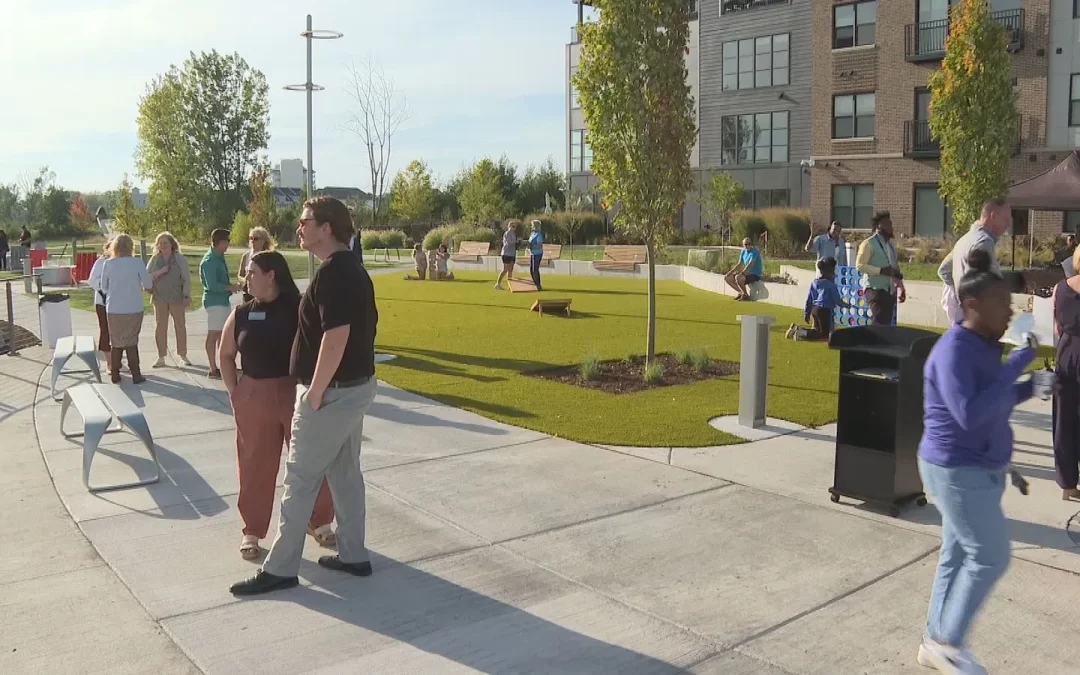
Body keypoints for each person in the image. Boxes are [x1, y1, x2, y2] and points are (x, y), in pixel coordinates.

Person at [230, 196, 378, 596]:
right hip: (351, 389)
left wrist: (314, 392)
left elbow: (336, 336)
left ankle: (280, 568)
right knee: (345, 474)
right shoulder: (351, 270)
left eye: (304, 221)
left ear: (326, 227)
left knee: (300, 478)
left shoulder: (335, 275)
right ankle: (353, 554)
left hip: (332, 394)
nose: (298, 227)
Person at [915, 247, 1037, 674]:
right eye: (1001, 302)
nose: (1010, 311)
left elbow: (994, 399)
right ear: (971, 305)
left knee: (956, 553)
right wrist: (1018, 363)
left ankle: (934, 639)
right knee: (990, 554)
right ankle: (948, 642)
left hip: (979, 468)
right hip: (955, 468)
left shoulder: (984, 345)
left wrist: (1033, 385)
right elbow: (967, 413)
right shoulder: (954, 350)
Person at [219, 250, 338, 560]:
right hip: (254, 395)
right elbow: (226, 355)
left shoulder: (301, 309)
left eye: (251, 272)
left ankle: (320, 520)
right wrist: (236, 393)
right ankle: (253, 530)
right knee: (255, 465)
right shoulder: (242, 313)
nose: (246, 279)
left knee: (310, 460)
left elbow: (323, 347)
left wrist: (317, 389)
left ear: (271, 275)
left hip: (296, 392)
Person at [100, 234, 153, 384]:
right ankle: (136, 373)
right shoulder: (137, 263)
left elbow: (103, 287)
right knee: (131, 341)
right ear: (131, 247)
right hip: (134, 307)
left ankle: (115, 373)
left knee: (116, 342)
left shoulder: (108, 264)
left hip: (114, 308)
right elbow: (148, 284)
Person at [1052, 245, 1080, 502]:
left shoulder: (1060, 288)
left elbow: (1057, 325)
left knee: (1064, 421)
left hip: (1067, 352)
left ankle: (1067, 483)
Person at [146, 232, 191, 368]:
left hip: (177, 297)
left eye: (165, 242)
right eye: (160, 243)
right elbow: (147, 277)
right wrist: (159, 272)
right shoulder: (154, 259)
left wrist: (186, 295)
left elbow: (186, 278)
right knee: (160, 327)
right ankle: (161, 356)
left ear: (172, 244)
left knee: (180, 326)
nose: (163, 245)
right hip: (159, 297)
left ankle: (182, 355)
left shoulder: (179, 259)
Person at [200, 229, 239, 379]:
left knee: (223, 335)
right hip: (215, 302)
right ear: (220, 242)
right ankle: (212, 368)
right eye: (227, 241)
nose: (229, 244)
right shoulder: (209, 261)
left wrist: (231, 287)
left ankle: (224, 366)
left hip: (222, 301)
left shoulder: (219, 257)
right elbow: (212, 286)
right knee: (214, 334)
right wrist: (230, 287)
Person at [855, 211, 906, 325]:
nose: (890, 227)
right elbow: (860, 265)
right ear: (879, 226)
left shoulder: (891, 245)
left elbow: (895, 269)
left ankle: (879, 342)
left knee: (885, 324)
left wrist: (901, 288)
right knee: (879, 322)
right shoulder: (869, 243)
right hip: (874, 289)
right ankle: (874, 342)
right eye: (887, 224)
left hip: (889, 290)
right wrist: (880, 271)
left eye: (891, 224)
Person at [786, 257, 849, 342]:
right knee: (824, 335)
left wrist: (807, 313)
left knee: (817, 331)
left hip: (814, 309)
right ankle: (801, 333)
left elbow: (809, 299)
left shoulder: (814, 283)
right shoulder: (830, 285)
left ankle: (796, 328)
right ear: (831, 271)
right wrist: (847, 305)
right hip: (824, 311)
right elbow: (837, 301)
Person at [87, 238, 114, 357]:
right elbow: (92, 280)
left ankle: (115, 357)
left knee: (116, 331)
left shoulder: (122, 262)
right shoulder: (101, 262)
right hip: (102, 302)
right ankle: (106, 356)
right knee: (105, 329)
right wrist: (104, 288)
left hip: (117, 302)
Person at [238, 227, 272, 303]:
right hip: (248, 293)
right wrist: (245, 280)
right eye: (251, 238)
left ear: (263, 241)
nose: (252, 241)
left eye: (256, 239)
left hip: (263, 294)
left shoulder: (269, 256)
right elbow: (240, 275)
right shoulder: (246, 256)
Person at [495, 220, 518, 290]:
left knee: (510, 270)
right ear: (509, 226)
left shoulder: (513, 234)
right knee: (505, 269)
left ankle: (510, 285)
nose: (514, 227)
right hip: (506, 253)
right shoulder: (507, 233)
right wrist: (516, 241)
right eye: (512, 226)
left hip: (512, 253)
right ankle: (497, 284)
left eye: (514, 226)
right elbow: (508, 243)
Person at [528, 219, 545, 290]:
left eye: (532, 225)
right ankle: (535, 283)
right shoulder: (532, 234)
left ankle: (538, 285)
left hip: (537, 253)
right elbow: (529, 242)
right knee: (531, 269)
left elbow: (539, 245)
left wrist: (531, 246)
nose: (531, 227)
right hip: (532, 253)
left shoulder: (539, 235)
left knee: (535, 269)